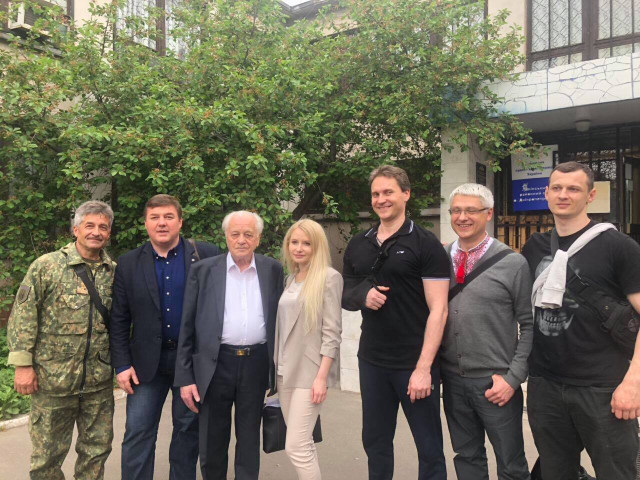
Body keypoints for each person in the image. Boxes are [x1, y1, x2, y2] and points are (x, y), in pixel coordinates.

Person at [521, 161, 640, 480]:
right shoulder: (534, 246)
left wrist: (633, 383)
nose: (564, 195)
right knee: (556, 473)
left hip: (603, 387)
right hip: (545, 384)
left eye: (573, 188)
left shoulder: (618, 246)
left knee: (617, 473)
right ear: (546, 194)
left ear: (591, 195)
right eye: (557, 188)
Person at [342, 165, 450, 480]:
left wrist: (423, 368)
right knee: (375, 443)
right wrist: (363, 295)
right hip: (372, 361)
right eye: (376, 194)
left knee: (429, 447)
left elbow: (439, 309)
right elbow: (345, 293)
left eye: (388, 192)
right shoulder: (358, 243)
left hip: (413, 363)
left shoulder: (426, 243)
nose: (381, 199)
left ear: (406, 194)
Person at [110, 194, 219, 480]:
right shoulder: (128, 263)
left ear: (180, 222)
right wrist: (121, 364)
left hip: (190, 364)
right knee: (138, 432)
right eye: (155, 218)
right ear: (145, 223)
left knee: (187, 432)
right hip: (145, 366)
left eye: (169, 217)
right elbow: (119, 319)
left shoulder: (206, 255)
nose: (162, 223)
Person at [7, 200, 116, 480]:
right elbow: (23, 315)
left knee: (96, 452)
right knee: (47, 457)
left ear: (108, 233)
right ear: (75, 229)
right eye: (89, 225)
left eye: (103, 227)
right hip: (52, 381)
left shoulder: (113, 272)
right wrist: (23, 365)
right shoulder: (47, 266)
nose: (96, 232)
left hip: (98, 384)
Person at [175, 210, 284, 480]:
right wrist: (185, 377)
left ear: (258, 238)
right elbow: (187, 326)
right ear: (226, 236)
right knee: (212, 438)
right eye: (235, 234)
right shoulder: (203, 271)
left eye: (248, 234)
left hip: (256, 363)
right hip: (215, 364)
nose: (241, 240)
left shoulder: (272, 269)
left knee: (249, 437)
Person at [441, 183, 532, 480]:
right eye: (456, 210)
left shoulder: (513, 263)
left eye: (471, 210)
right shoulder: (439, 258)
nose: (462, 217)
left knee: (511, 463)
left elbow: (529, 324)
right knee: (467, 457)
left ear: (489, 214)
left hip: (496, 383)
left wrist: (513, 378)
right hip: (453, 380)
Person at [274, 219, 343, 480]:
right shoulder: (290, 279)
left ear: (317, 247)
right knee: (304, 443)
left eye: (306, 243)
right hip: (284, 371)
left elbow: (332, 332)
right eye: (294, 242)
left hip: (310, 373)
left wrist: (321, 378)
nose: (299, 248)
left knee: (296, 446)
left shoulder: (329, 278)